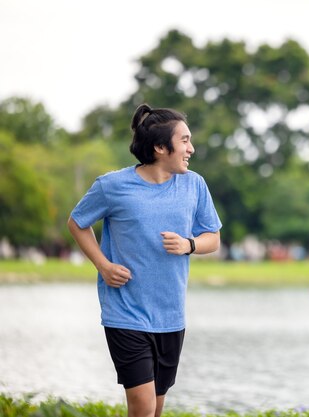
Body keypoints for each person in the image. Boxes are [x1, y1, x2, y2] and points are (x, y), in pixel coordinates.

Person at [67, 104, 222, 417]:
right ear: (161, 147)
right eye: (185, 141)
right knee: (143, 407)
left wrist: (189, 244)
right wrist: (103, 265)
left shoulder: (194, 185)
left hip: (171, 316)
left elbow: (213, 239)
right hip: (125, 314)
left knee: (157, 408)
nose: (191, 148)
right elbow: (77, 222)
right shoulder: (112, 186)